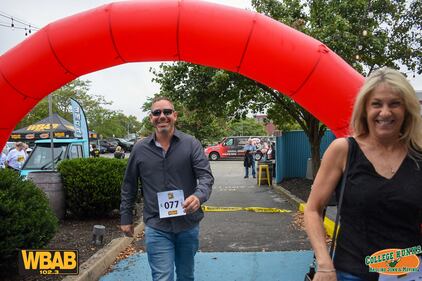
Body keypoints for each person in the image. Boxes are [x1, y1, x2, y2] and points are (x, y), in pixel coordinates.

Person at [304, 67, 422, 281]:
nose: (385, 112)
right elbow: (312, 209)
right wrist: (324, 264)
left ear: (406, 110)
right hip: (351, 273)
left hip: (410, 273)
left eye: (394, 103)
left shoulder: (419, 156)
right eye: (376, 104)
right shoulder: (344, 150)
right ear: (365, 109)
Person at [120, 96, 214, 281]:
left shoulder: (191, 144)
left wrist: (198, 196)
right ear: (151, 118)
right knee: (162, 277)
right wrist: (126, 217)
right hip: (157, 226)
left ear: (175, 115)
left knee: (186, 276)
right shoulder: (139, 149)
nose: (162, 116)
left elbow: (205, 176)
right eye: (157, 113)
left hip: (188, 224)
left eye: (167, 112)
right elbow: (129, 184)